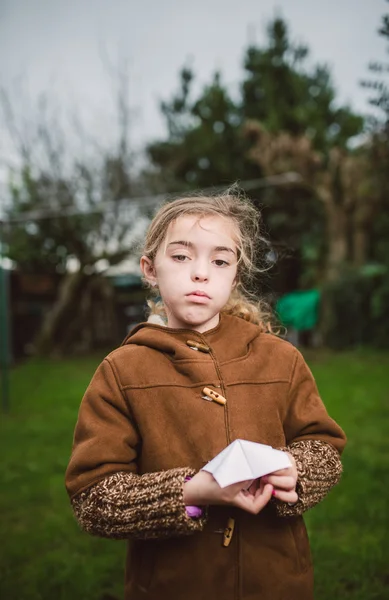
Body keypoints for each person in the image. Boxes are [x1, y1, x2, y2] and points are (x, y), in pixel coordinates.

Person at [65, 189, 346, 600]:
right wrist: (193, 491)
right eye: (181, 256)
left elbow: (323, 447)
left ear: (235, 276)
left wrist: (295, 471)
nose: (201, 273)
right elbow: (93, 499)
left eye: (219, 261)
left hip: (279, 582)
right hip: (173, 585)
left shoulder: (280, 360)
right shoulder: (122, 371)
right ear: (149, 268)